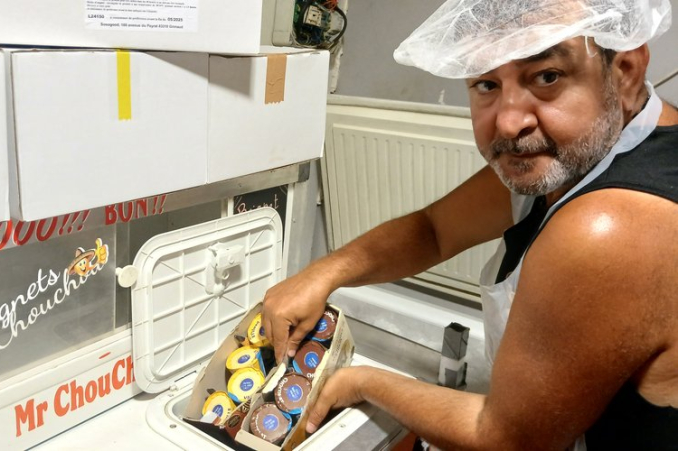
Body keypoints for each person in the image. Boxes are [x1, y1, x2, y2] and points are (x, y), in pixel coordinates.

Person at [262, 0, 678, 449]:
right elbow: (434, 230)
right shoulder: (593, 148)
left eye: (547, 76)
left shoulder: (611, 225)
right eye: (486, 83)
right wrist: (321, 274)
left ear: (627, 69)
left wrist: (362, 382)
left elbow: (505, 438)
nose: (508, 122)